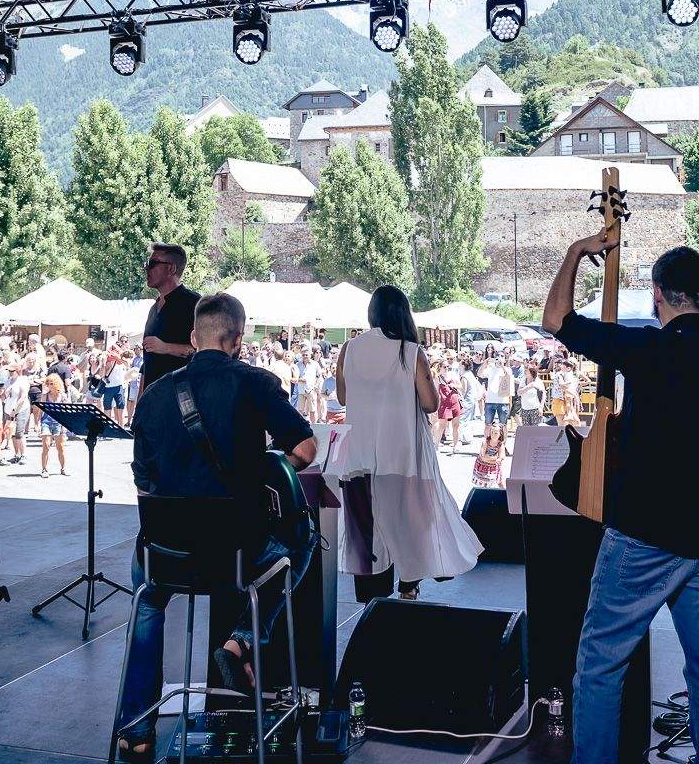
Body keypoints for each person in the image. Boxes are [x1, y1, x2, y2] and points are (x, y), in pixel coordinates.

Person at [543, 240, 699, 764]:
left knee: (599, 666)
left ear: (658, 295)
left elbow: (556, 320)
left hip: (642, 536)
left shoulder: (647, 349)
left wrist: (577, 251)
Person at [116, 293, 317, 762]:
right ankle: (241, 639)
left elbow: (143, 483)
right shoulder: (255, 383)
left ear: (193, 337)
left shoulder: (153, 395)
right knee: (303, 541)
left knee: (147, 597)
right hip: (235, 556)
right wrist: (261, 474)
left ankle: (136, 729)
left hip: (166, 555)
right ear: (238, 339)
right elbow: (305, 450)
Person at [331, 286, 483, 602]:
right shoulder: (410, 352)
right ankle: (408, 588)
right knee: (407, 524)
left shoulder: (349, 349)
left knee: (367, 530)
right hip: (401, 456)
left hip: (358, 457)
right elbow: (430, 403)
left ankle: (372, 600)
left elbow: (343, 397)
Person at [140, 243, 199, 394]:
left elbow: (204, 352)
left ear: (171, 269)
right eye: (147, 263)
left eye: (152, 263)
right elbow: (147, 363)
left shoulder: (194, 304)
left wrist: (165, 347)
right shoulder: (154, 309)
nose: (147, 268)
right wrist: (141, 402)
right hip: (152, 399)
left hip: (180, 399)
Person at [37, 372, 69, 476]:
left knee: (60, 447)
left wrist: (65, 425)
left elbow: (66, 412)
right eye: (48, 383)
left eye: (52, 383)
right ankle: (44, 469)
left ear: (57, 383)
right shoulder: (45, 396)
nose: (50, 386)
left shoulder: (62, 396)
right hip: (46, 422)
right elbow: (40, 410)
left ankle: (63, 468)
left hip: (58, 423)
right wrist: (37, 423)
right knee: (46, 446)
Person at [471, 421, 510, 488]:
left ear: (500, 434)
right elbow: (482, 456)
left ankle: (504, 492)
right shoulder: (486, 442)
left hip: (494, 467)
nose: (493, 434)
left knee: (499, 481)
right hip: (483, 466)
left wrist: (490, 458)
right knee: (483, 483)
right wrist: (494, 458)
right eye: (492, 432)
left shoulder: (500, 445)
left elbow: (501, 457)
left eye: (495, 433)